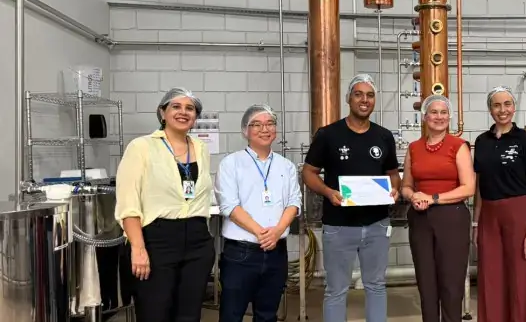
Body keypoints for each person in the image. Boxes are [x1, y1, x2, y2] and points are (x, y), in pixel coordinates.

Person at [302, 74, 401, 322]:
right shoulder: (328, 135)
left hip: (377, 225)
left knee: (376, 285)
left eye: (370, 95)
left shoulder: (383, 136)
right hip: (339, 226)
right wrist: (328, 192)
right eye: (358, 94)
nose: (364, 100)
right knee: (336, 289)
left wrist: (394, 189)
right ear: (348, 98)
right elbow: (308, 173)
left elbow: (392, 174)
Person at [114, 87, 215, 322]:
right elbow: (128, 202)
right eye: (176, 106)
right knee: (155, 313)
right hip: (157, 241)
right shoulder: (141, 147)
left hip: (197, 240)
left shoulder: (200, 148)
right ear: (162, 112)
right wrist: (138, 249)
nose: (183, 112)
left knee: (189, 315)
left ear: (195, 116)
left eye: (190, 108)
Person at [215, 104, 302, 322]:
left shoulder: (286, 166)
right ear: (245, 130)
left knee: (267, 315)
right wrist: (261, 233)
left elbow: (294, 202)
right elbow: (229, 206)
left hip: (276, 253)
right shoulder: (231, 163)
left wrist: (277, 231)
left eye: (270, 124)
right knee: (231, 315)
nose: (265, 129)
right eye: (257, 124)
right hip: (241, 254)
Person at [400, 94, 476, 322]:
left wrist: (432, 198)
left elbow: (468, 188)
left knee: (451, 283)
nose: (439, 117)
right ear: (424, 117)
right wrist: (413, 196)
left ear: (449, 117)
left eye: (444, 112)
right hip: (420, 219)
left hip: (452, 218)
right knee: (426, 283)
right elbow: (406, 186)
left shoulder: (459, 146)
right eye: (434, 112)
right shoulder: (414, 148)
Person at [472, 86, 526, 322]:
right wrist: (476, 223)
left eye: (507, 104)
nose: (502, 110)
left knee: (521, 278)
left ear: (514, 107)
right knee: (491, 277)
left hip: (519, 213)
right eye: (496, 105)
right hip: (489, 216)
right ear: (490, 109)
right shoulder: (481, 141)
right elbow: (479, 186)